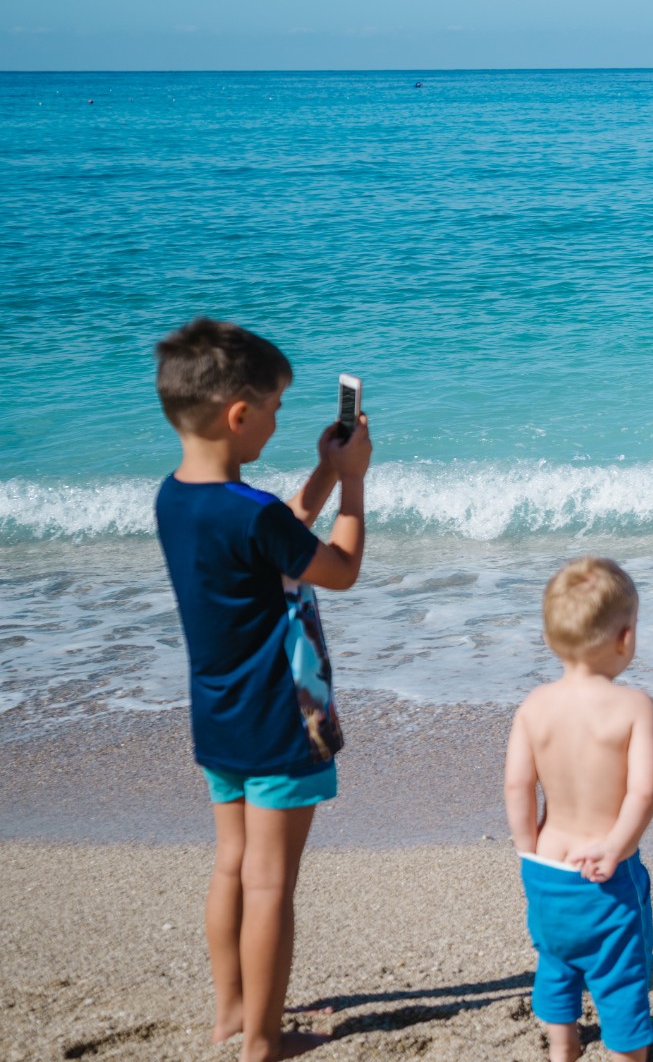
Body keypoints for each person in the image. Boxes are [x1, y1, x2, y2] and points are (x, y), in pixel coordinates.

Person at [153, 317, 373, 1061]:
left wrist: (322, 471)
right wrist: (354, 482)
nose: (280, 421)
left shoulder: (176, 499)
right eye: (275, 409)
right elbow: (336, 567)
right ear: (238, 415)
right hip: (282, 721)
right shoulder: (253, 514)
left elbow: (282, 536)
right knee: (272, 885)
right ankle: (263, 1044)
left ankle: (231, 1014)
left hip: (219, 718)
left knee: (231, 867)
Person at [504, 557, 653, 1062]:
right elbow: (643, 792)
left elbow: (517, 785)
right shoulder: (633, 706)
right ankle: (625, 1055)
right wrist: (616, 846)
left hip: (546, 867)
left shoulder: (534, 706)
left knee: (557, 962)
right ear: (626, 637)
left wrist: (528, 846)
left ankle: (562, 1048)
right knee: (620, 975)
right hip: (605, 873)